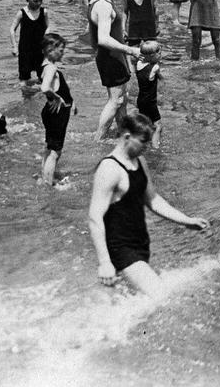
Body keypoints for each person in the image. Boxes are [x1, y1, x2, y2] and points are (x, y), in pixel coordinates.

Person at [88, 112, 209, 298]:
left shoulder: (140, 162)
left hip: (140, 244)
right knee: (161, 297)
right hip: (120, 248)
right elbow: (94, 217)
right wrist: (104, 262)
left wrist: (186, 220)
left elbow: (153, 200)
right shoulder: (109, 169)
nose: (146, 147)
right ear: (127, 137)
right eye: (143, 142)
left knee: (133, 304)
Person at [89, 0, 141, 141]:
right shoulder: (103, 5)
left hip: (113, 56)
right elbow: (103, 39)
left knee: (122, 98)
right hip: (111, 57)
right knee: (116, 100)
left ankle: (123, 133)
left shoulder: (97, 0)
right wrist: (130, 49)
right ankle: (98, 139)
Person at [37, 33, 74, 185]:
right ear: (49, 49)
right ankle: (48, 182)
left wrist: (72, 103)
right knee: (55, 152)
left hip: (52, 112)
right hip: (57, 113)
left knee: (49, 147)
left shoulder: (45, 66)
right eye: (61, 49)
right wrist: (57, 97)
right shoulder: (51, 68)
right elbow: (45, 88)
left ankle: (43, 176)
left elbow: (59, 88)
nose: (63, 52)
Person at [11, 0, 49, 90]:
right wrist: (14, 46)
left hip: (40, 49)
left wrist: (47, 40)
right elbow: (12, 29)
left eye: (40, 1)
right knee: (24, 79)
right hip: (25, 49)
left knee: (43, 77)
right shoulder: (21, 13)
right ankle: (26, 100)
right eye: (35, 1)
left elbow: (48, 27)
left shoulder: (43, 12)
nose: (38, 3)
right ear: (27, 0)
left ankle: (42, 98)